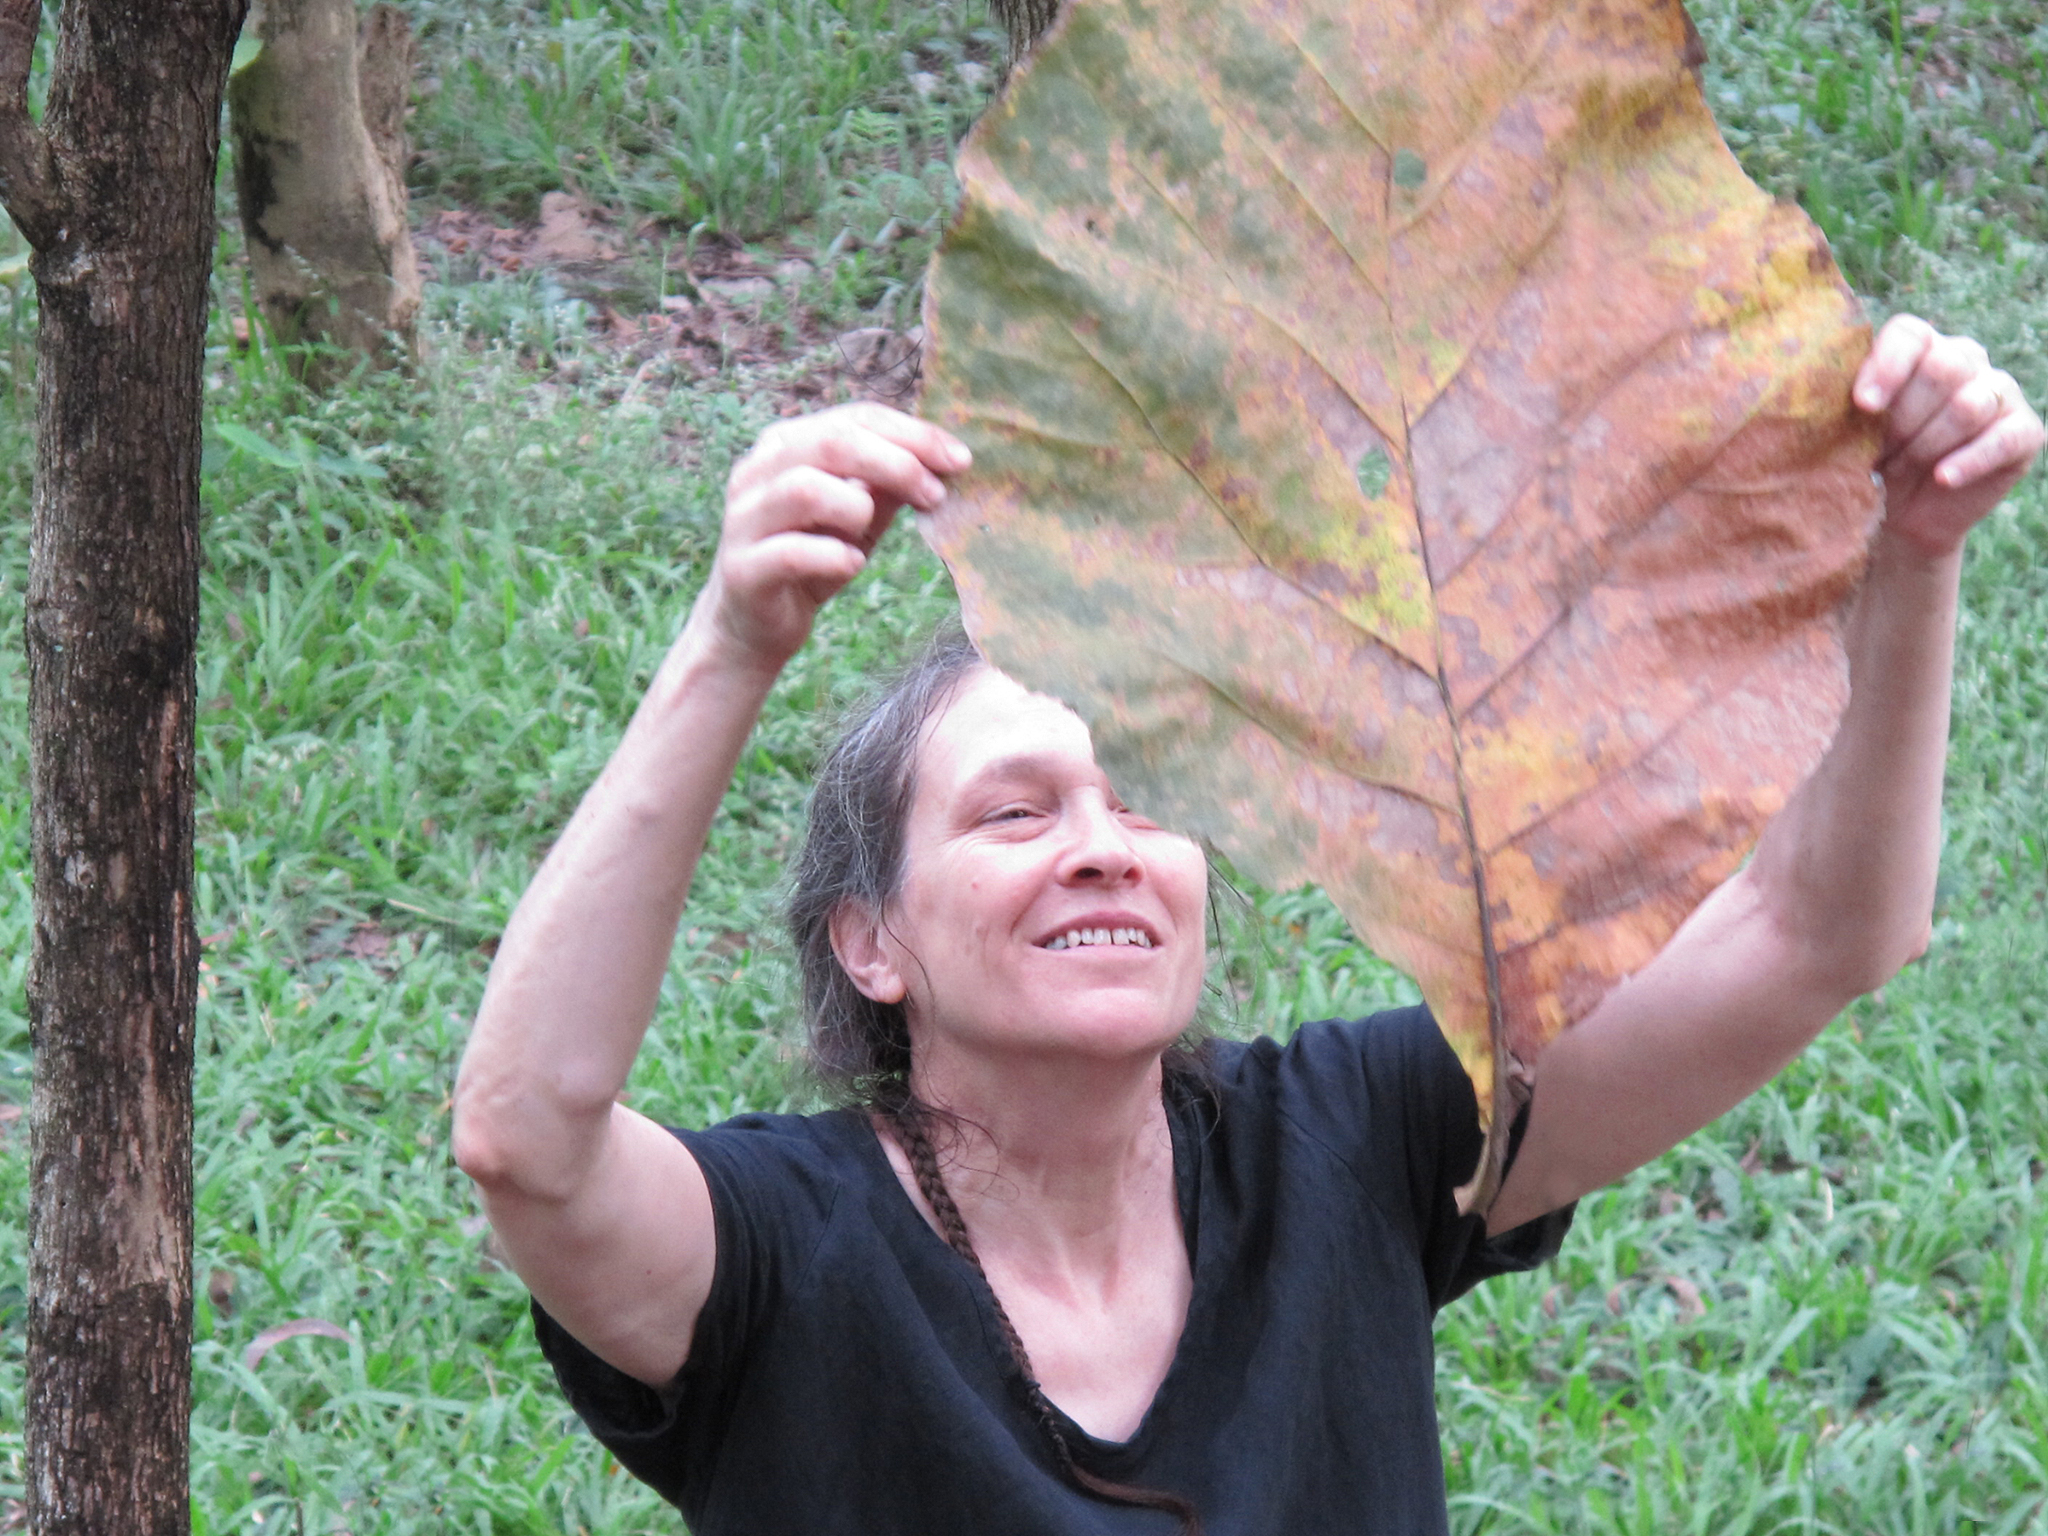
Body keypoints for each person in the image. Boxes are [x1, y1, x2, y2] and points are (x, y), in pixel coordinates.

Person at [452, 315, 2042, 1534]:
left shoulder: (1353, 1144)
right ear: (871, 943)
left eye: (1145, 799)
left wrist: (1910, 554)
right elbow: (529, 1139)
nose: (1103, 850)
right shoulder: (776, 1252)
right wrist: (734, 642)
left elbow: (1820, 929)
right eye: (1016, 814)